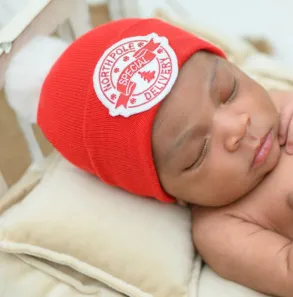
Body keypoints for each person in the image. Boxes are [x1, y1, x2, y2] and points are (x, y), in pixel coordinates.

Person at [37, 18, 293, 297]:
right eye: (199, 152)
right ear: (171, 193)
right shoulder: (221, 229)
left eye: (228, 91)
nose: (238, 127)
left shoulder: (276, 105)